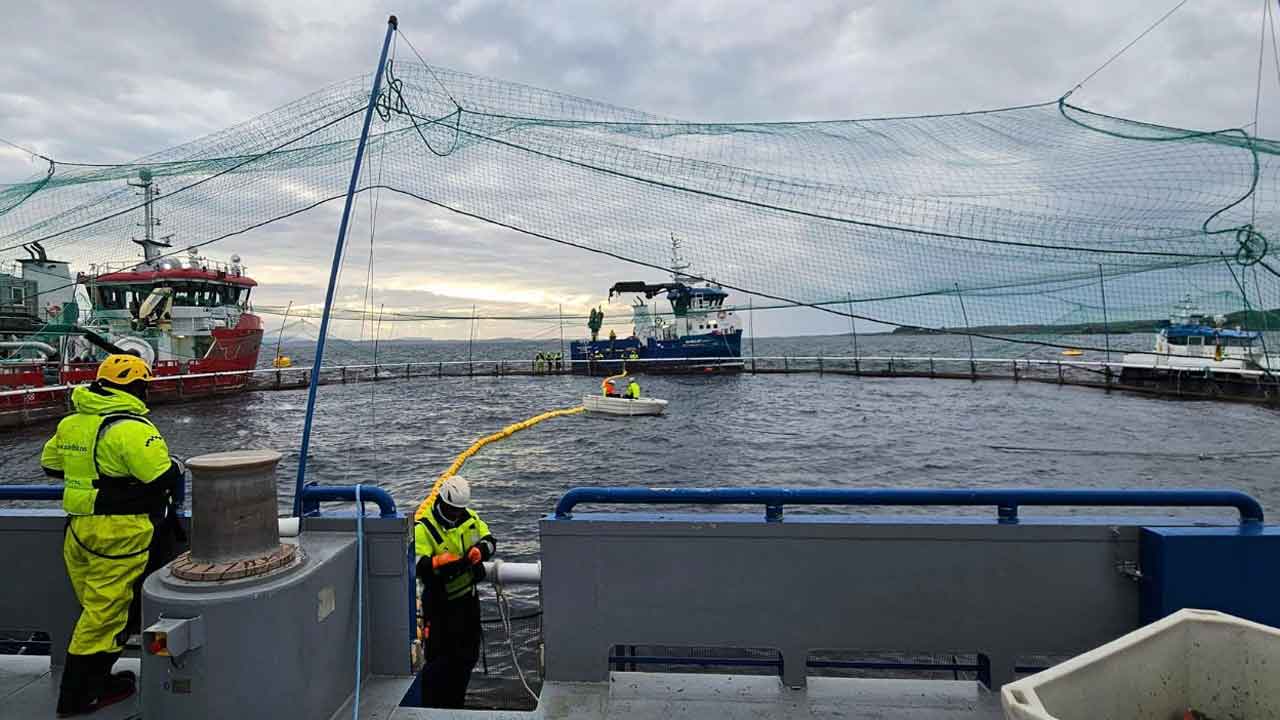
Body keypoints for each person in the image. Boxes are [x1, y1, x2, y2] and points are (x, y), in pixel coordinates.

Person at [41, 354, 185, 717]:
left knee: (95, 609)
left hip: (78, 530)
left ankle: (93, 683)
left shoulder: (73, 422)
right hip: (119, 535)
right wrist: (174, 466)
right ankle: (78, 697)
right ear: (137, 387)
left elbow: (50, 465)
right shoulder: (133, 428)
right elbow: (163, 477)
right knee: (103, 617)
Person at [415, 476, 497, 709]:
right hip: (440, 612)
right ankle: (434, 710)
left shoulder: (470, 519)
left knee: (466, 661)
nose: (455, 515)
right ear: (442, 502)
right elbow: (416, 565)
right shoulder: (424, 529)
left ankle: (456, 706)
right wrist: (437, 562)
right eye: (452, 510)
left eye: (459, 510)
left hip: (468, 607)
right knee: (438, 669)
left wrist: (481, 551)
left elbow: (490, 540)